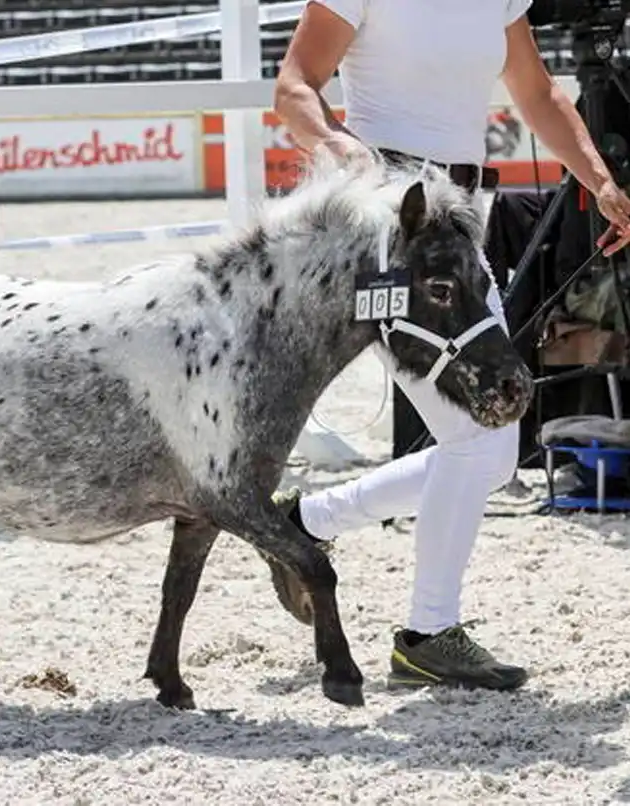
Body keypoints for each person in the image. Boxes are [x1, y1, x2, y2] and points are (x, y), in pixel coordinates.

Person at [271, 0, 630, 691]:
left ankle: (308, 522)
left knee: (492, 453)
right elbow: (295, 85)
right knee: (482, 439)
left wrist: (599, 180)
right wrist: (338, 145)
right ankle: (427, 633)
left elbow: (539, 92)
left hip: (459, 232)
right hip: (389, 228)